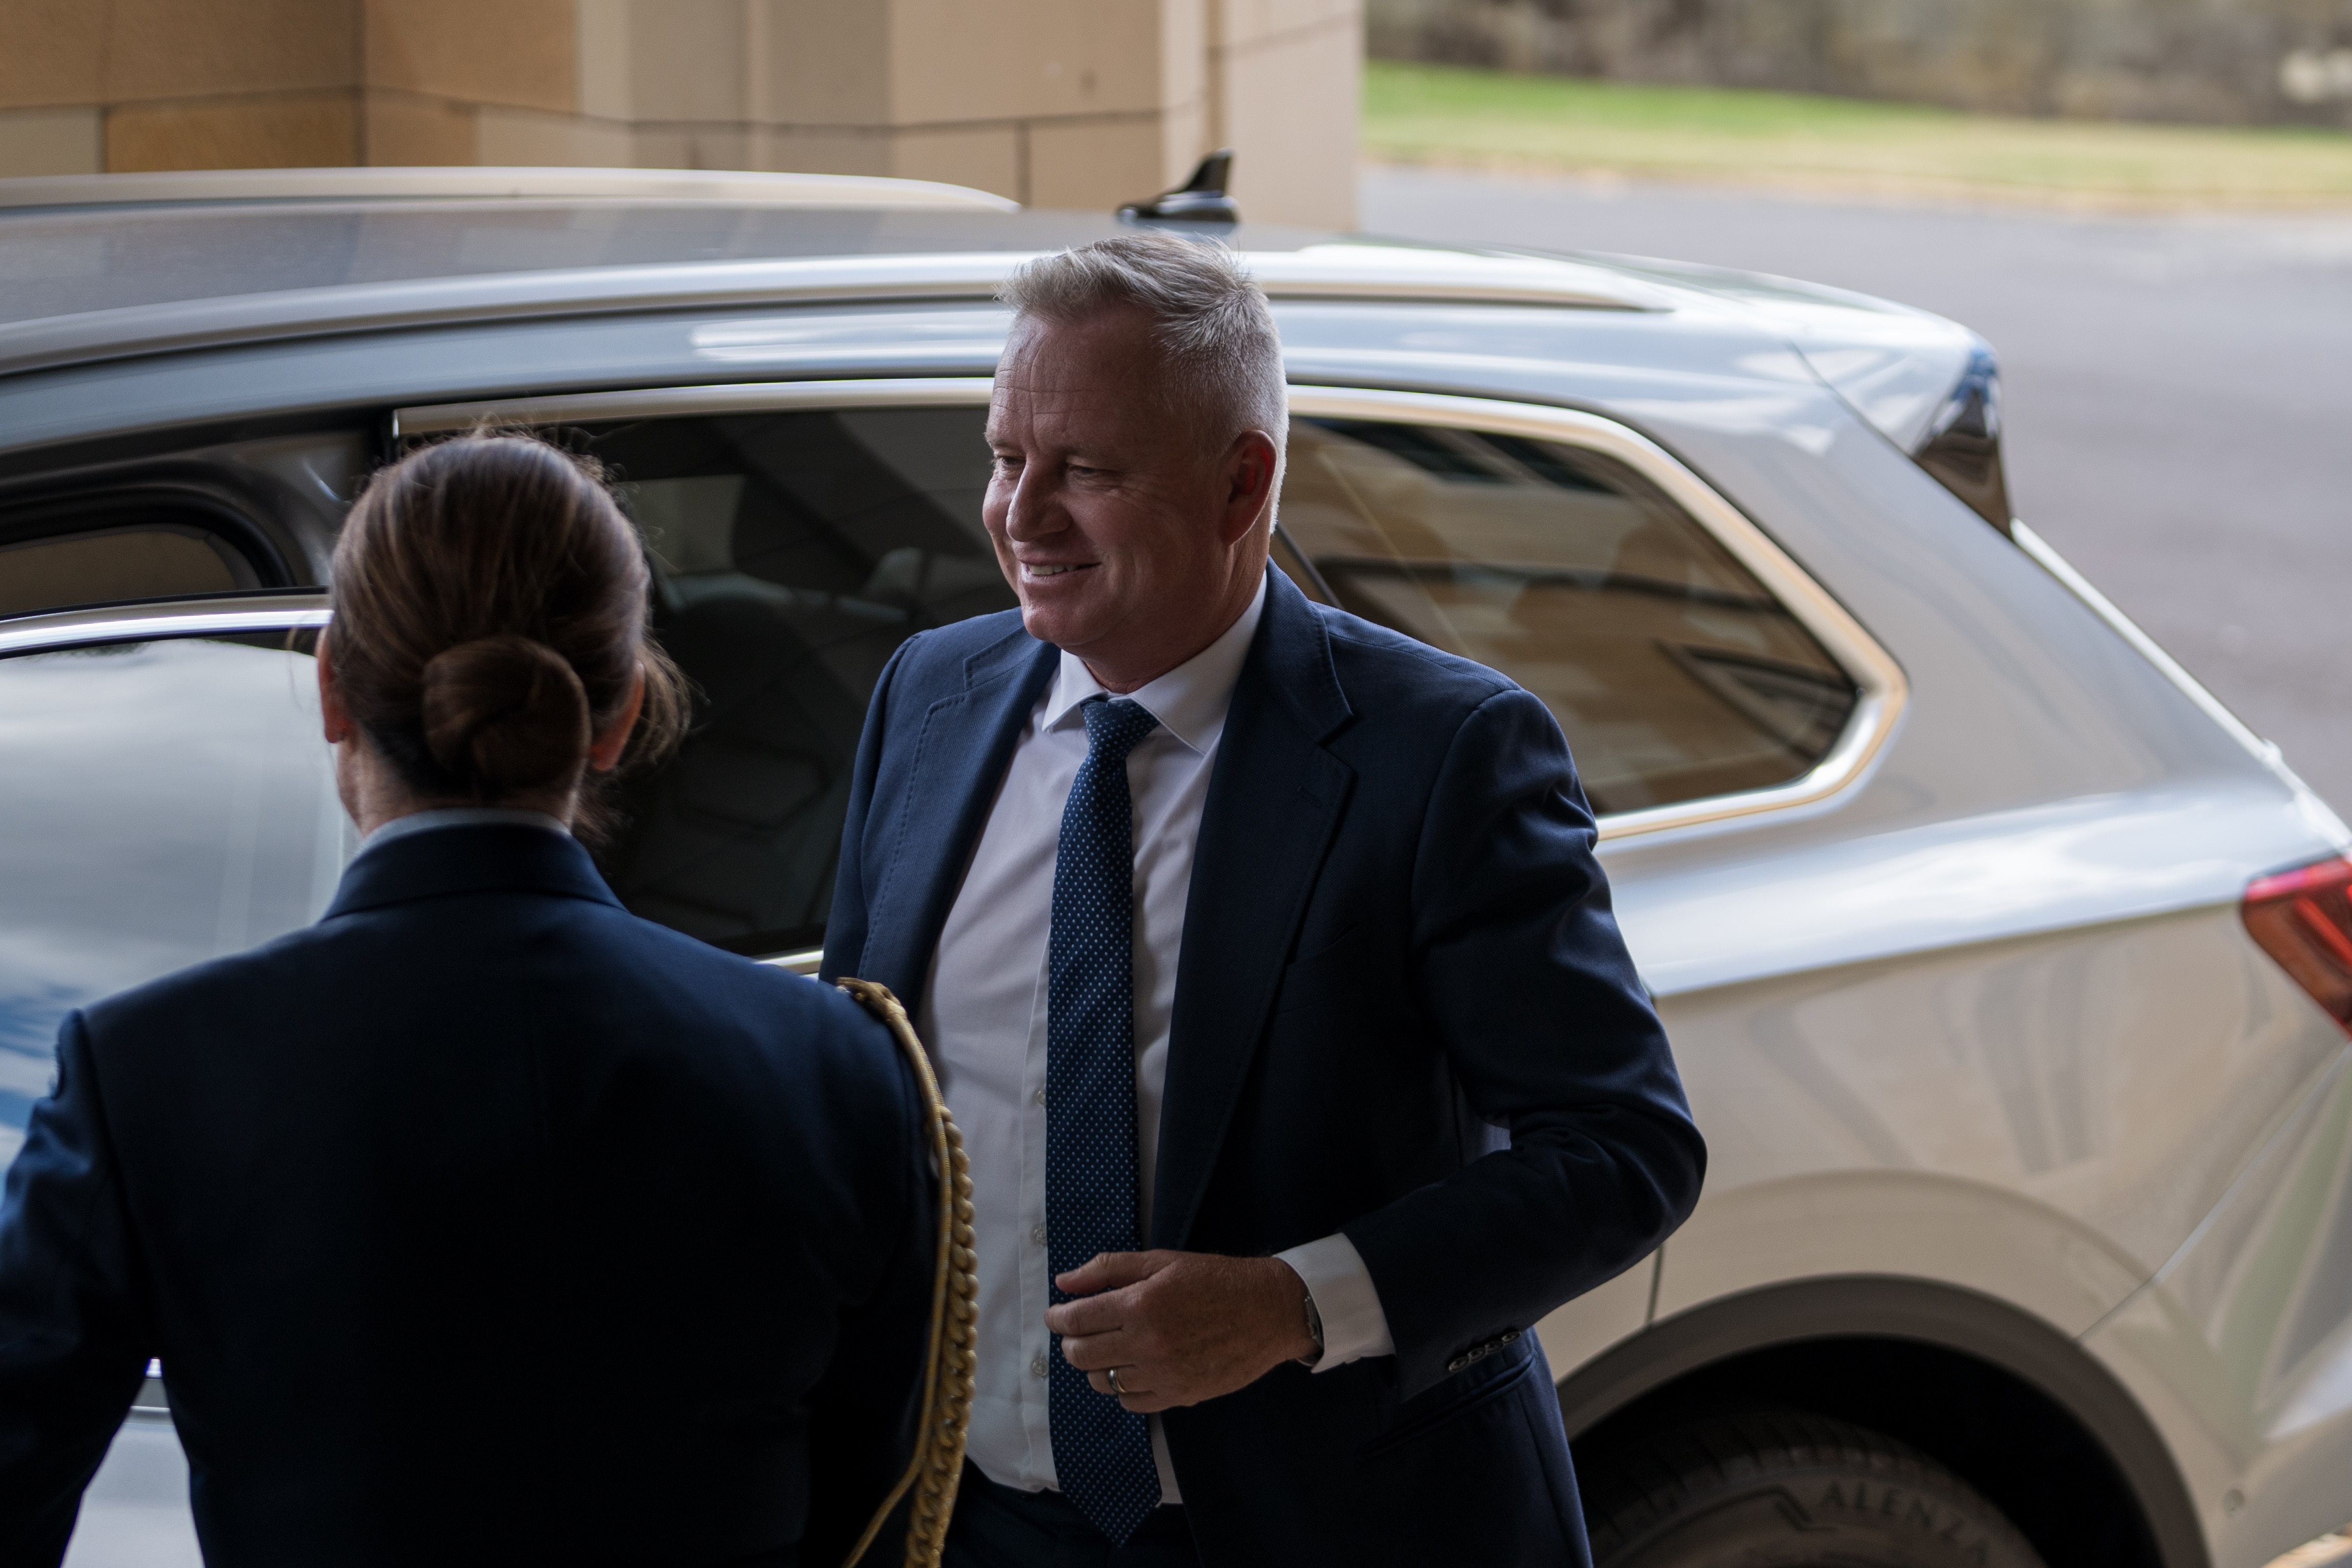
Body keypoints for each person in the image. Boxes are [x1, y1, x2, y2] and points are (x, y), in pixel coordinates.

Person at [821, 232, 1708, 1566]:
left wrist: (1296, 1304)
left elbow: (1624, 1152)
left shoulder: (1442, 754)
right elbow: (856, 1085)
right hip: (972, 1521)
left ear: (1243, 485)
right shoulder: (928, 698)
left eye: (1089, 471)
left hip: (1336, 1524)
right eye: (1008, 457)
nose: (1021, 513)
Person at [0, 434, 934, 1567]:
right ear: (624, 711)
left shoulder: (150, 1070)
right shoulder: (841, 1072)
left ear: (332, 686)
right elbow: (858, 1512)